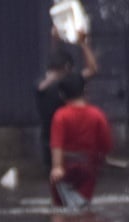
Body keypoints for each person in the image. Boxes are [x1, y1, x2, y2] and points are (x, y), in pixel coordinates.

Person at [35, 27, 98, 172]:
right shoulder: (45, 86)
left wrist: (82, 43)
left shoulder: (67, 81)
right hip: (52, 140)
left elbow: (92, 70)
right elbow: (41, 86)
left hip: (70, 142)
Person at [48, 72, 113, 206]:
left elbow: (57, 145)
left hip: (66, 169)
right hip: (88, 169)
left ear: (61, 94)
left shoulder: (60, 116)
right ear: (84, 90)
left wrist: (57, 167)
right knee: (83, 206)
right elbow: (106, 144)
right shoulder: (97, 115)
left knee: (62, 209)